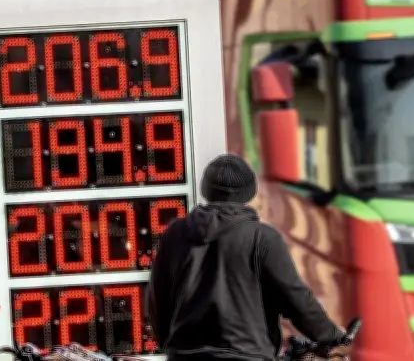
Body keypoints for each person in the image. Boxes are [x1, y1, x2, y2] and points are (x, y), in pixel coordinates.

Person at [146, 154, 344, 360]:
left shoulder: (175, 233)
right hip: (247, 355)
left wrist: (168, 342)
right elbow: (295, 299)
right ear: (249, 192)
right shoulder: (263, 238)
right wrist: (331, 336)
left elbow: (158, 299)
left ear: (205, 189)